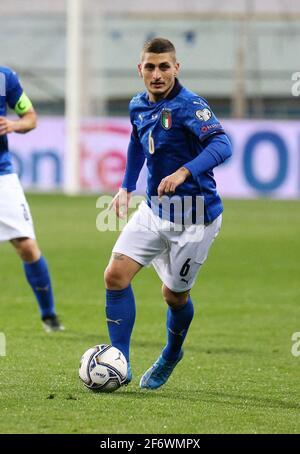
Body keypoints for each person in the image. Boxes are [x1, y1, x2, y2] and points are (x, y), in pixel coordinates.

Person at [104, 37, 232, 389]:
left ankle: (172, 353)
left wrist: (184, 172)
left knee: (173, 296)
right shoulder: (137, 106)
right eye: (150, 67)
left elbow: (222, 144)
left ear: (176, 68)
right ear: (140, 69)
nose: (157, 74)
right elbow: (135, 140)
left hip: (195, 216)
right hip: (154, 209)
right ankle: (120, 362)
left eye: (164, 67)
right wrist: (126, 186)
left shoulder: (190, 106)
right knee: (115, 275)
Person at [0, 66, 64, 332]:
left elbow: (30, 117)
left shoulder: (5, 78)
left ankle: (48, 315)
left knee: (26, 246)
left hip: (2, 175)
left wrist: (13, 124)